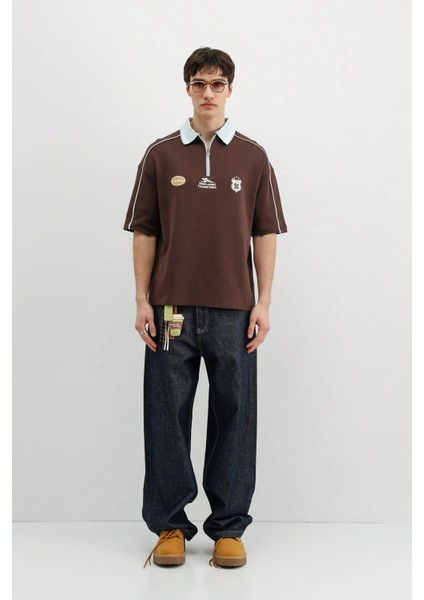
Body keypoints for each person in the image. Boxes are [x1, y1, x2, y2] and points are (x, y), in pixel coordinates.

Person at [123, 47, 287, 568]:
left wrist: (264, 301)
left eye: (218, 83)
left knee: (235, 416)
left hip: (235, 311)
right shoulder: (161, 154)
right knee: (166, 418)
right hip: (170, 310)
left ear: (230, 89)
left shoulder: (253, 157)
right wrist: (142, 299)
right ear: (188, 88)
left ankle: (228, 527)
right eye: (200, 83)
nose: (208, 92)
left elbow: (265, 231)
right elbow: (145, 230)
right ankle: (170, 525)